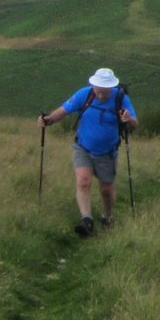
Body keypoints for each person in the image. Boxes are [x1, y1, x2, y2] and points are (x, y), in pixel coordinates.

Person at [38, 66, 136, 237]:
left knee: (106, 190)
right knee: (83, 181)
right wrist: (49, 120)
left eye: (104, 91)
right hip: (83, 147)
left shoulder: (120, 98)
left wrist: (129, 120)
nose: (100, 94)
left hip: (107, 152)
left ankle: (107, 216)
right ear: (94, 85)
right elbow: (64, 110)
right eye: (98, 90)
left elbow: (135, 123)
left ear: (110, 88)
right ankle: (87, 220)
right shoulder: (85, 94)